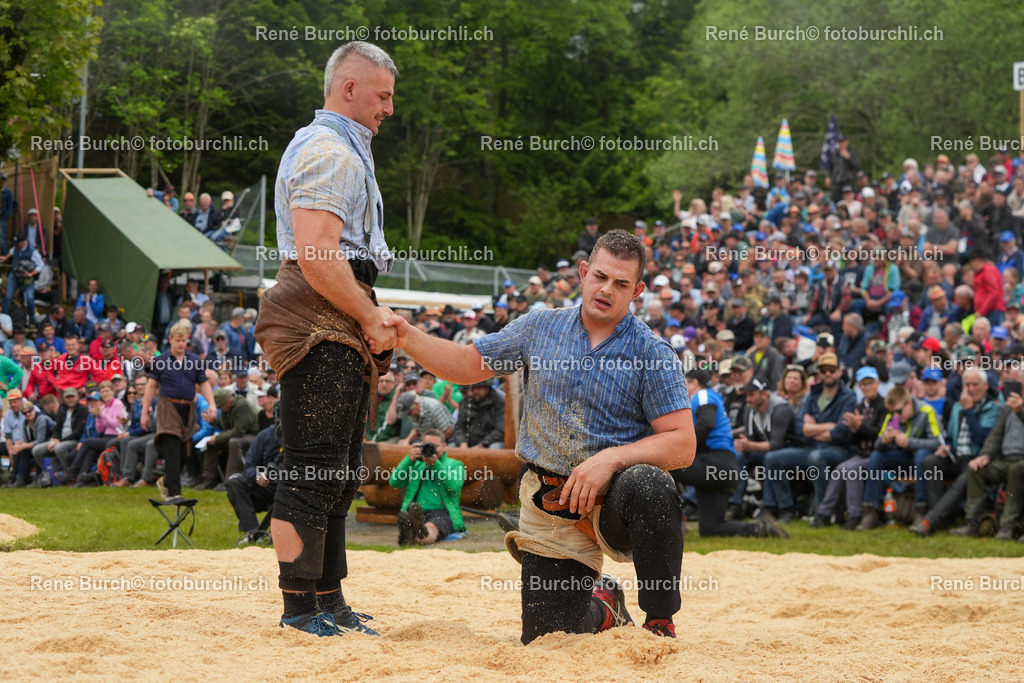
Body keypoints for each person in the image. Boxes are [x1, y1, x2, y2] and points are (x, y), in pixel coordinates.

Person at [389, 229, 696, 642]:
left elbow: (682, 444)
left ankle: (660, 620)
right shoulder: (539, 327)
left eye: (621, 284)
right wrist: (406, 336)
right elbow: (465, 363)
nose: (607, 289)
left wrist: (609, 460)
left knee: (650, 484)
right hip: (552, 503)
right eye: (600, 276)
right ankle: (606, 606)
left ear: (637, 291)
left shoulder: (653, 353)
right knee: (548, 638)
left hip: (616, 501)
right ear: (584, 273)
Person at [252, 40, 400, 638]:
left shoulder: (340, 148)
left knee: (338, 470)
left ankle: (327, 599)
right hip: (319, 308)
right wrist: (368, 315)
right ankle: (298, 608)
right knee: (313, 468)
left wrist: (366, 311)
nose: (389, 108)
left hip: (334, 306)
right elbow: (317, 253)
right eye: (383, 95)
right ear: (349, 88)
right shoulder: (328, 149)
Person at [673, 371, 788, 538]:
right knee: (711, 529)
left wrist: (681, 447)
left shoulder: (703, 395)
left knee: (663, 466)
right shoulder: (712, 396)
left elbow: (707, 423)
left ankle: (669, 522)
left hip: (714, 462)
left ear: (694, 383)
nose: (683, 387)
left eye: (685, 382)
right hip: (724, 468)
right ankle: (759, 528)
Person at [140, 321, 217, 502]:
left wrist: (212, 404)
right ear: (171, 340)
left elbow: (204, 383)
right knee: (172, 451)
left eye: (184, 340)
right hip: (167, 406)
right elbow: (151, 386)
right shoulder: (160, 361)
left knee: (184, 453)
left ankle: (167, 481)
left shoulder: (195, 360)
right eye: (178, 340)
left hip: (188, 408)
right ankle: (174, 494)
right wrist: (145, 411)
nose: (181, 344)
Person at [390, 429, 466, 545]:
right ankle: (414, 534)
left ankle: (413, 535)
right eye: (427, 445)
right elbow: (394, 482)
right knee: (417, 520)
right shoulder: (416, 464)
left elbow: (453, 487)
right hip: (415, 512)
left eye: (435, 446)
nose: (431, 449)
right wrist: (409, 460)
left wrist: (435, 465)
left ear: (444, 446)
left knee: (432, 527)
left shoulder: (455, 465)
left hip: (442, 512)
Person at [227, 423, 283, 543]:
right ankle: (252, 532)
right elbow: (249, 466)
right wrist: (259, 476)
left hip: (292, 489)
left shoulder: (303, 437)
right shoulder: (265, 435)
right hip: (267, 487)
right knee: (235, 482)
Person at [0, 233, 44, 322]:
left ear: (23, 243)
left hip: (27, 277)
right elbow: (12, 251)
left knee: (30, 298)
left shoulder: (33, 252)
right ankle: (3, 318)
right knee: (8, 296)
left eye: (17, 244)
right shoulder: (16, 247)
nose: (16, 246)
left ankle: (32, 320)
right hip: (14, 274)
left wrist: (30, 274)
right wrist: (5, 257)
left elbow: (40, 266)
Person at [451, 380, 505, 448]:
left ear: (487, 388)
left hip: (490, 443)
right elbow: (459, 427)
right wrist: (462, 442)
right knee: (450, 448)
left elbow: (500, 430)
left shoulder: (499, 402)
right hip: (469, 444)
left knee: (495, 448)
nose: (475, 391)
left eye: (479, 388)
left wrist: (482, 444)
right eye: (473, 388)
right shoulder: (465, 402)